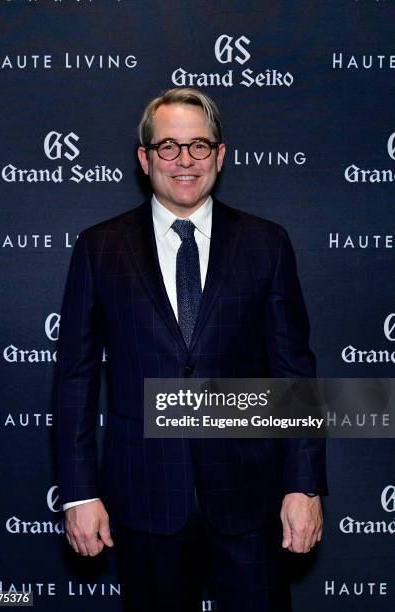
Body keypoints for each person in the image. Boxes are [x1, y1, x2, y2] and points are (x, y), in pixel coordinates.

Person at [53, 87, 328, 612]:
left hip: (252, 499)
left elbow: (295, 374)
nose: (185, 160)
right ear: (144, 157)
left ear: (220, 157)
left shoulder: (266, 243)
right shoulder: (99, 248)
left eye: (199, 146)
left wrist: (304, 485)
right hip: (144, 497)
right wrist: (80, 493)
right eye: (168, 147)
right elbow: (75, 379)